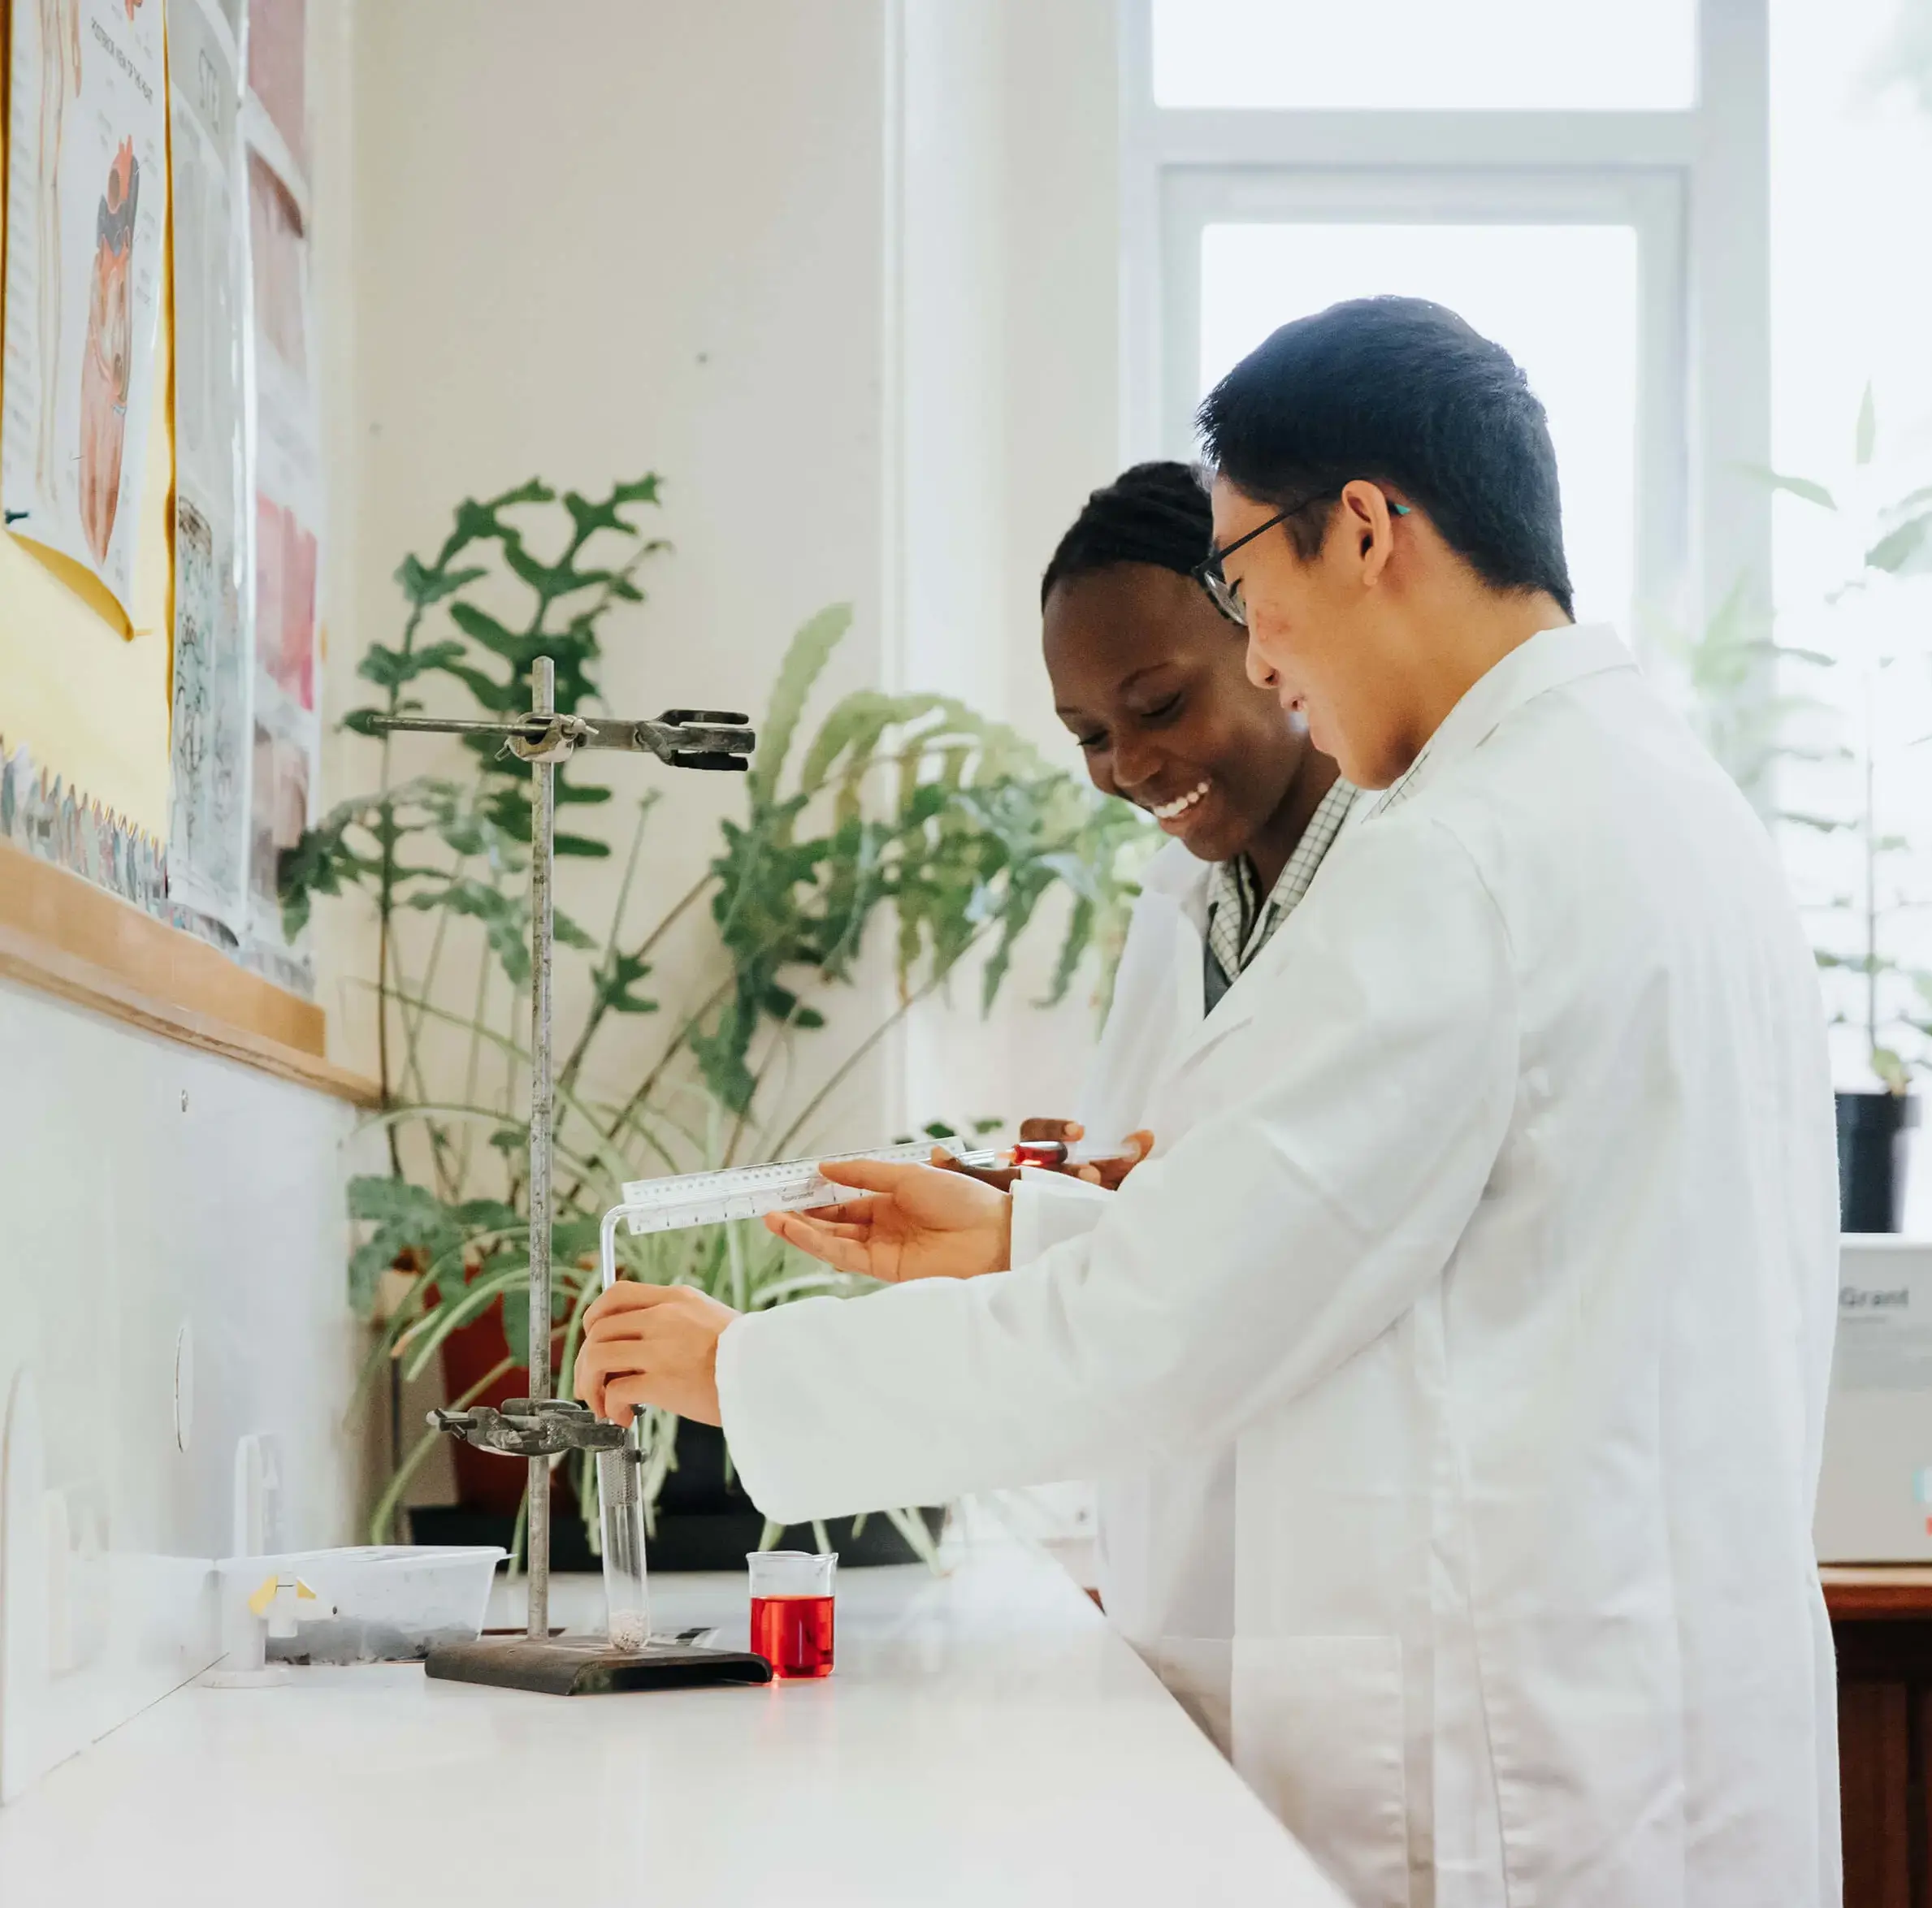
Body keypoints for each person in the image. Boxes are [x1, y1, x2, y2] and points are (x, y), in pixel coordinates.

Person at [578, 296, 1843, 1908]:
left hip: (1514, 1782)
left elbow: (1167, 1327)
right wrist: (1032, 1227)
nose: (1258, 654)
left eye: (1247, 587)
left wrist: (741, 1369)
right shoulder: (1660, 799)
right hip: (1657, 1739)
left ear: (1365, 530)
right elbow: (1403, 1251)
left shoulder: (1456, 858)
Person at [1012, 459, 1360, 1744]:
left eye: (1156, 703)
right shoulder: (1181, 917)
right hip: (1177, 1588)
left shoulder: (1393, 892)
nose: (1127, 764)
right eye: (1090, 735)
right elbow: (1154, 1222)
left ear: (1268, 644)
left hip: (1337, 1600)